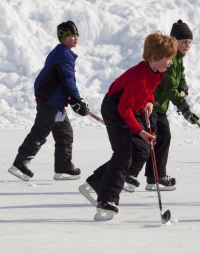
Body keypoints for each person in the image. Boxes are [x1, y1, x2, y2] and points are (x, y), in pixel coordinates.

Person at [78, 32, 178, 221]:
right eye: (168, 58)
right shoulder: (138, 77)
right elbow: (124, 108)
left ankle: (95, 183)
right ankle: (106, 201)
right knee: (123, 153)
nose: (170, 62)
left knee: (142, 149)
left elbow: (149, 90)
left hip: (133, 107)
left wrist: (149, 101)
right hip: (116, 108)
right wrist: (139, 131)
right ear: (154, 57)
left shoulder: (158, 70)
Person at [8, 21, 89, 181]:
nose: (76, 38)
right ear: (63, 38)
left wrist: (72, 100)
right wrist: (77, 99)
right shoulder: (64, 55)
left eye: (76, 35)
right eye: (72, 36)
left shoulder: (62, 52)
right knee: (40, 131)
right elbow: (67, 80)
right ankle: (20, 163)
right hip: (50, 101)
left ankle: (63, 168)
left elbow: (62, 81)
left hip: (55, 101)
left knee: (65, 134)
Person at [124, 19, 199, 192]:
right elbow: (169, 89)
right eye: (183, 42)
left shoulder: (177, 59)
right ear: (174, 41)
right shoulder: (169, 60)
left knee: (160, 140)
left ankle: (154, 177)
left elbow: (180, 77)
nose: (187, 45)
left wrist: (183, 84)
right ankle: (134, 174)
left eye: (189, 42)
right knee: (151, 142)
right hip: (152, 106)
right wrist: (184, 108)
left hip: (158, 107)